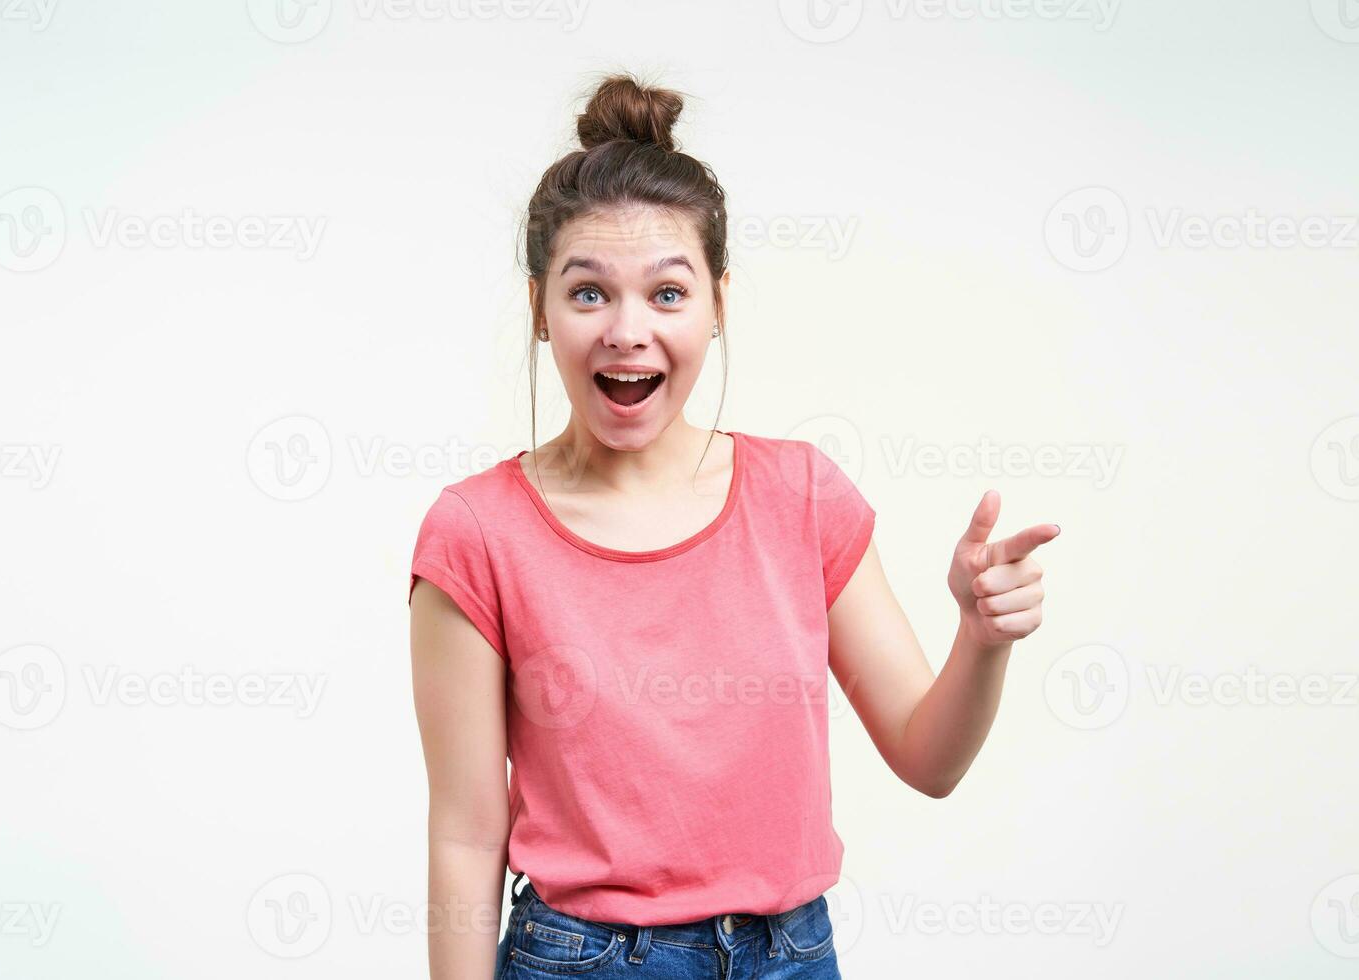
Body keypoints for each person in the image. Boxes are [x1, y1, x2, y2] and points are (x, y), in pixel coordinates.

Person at [408, 70, 1059, 980]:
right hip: (583, 961)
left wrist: (982, 640)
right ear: (539, 311)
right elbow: (468, 838)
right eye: (588, 292)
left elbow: (929, 757)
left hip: (790, 953)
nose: (627, 330)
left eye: (667, 294)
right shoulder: (477, 533)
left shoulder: (801, 498)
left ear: (717, 306)